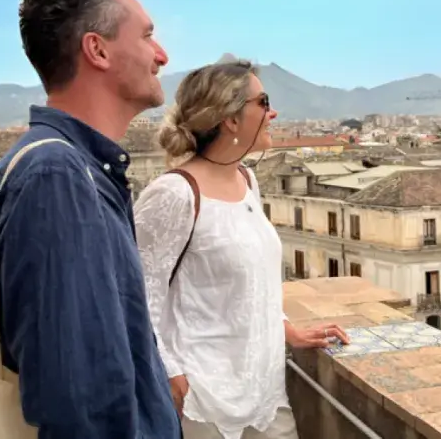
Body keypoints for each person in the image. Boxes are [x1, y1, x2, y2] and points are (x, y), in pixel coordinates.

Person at [0, 0, 182, 438]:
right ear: (97, 50)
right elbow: (82, 402)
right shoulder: (57, 179)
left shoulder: (66, 167)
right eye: (147, 36)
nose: (162, 54)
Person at [134, 60, 349, 439]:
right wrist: (170, 373)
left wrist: (287, 330)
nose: (273, 113)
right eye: (263, 102)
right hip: (203, 399)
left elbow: (253, 282)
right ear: (230, 119)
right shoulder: (174, 194)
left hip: (265, 393)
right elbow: (138, 293)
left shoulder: (247, 180)